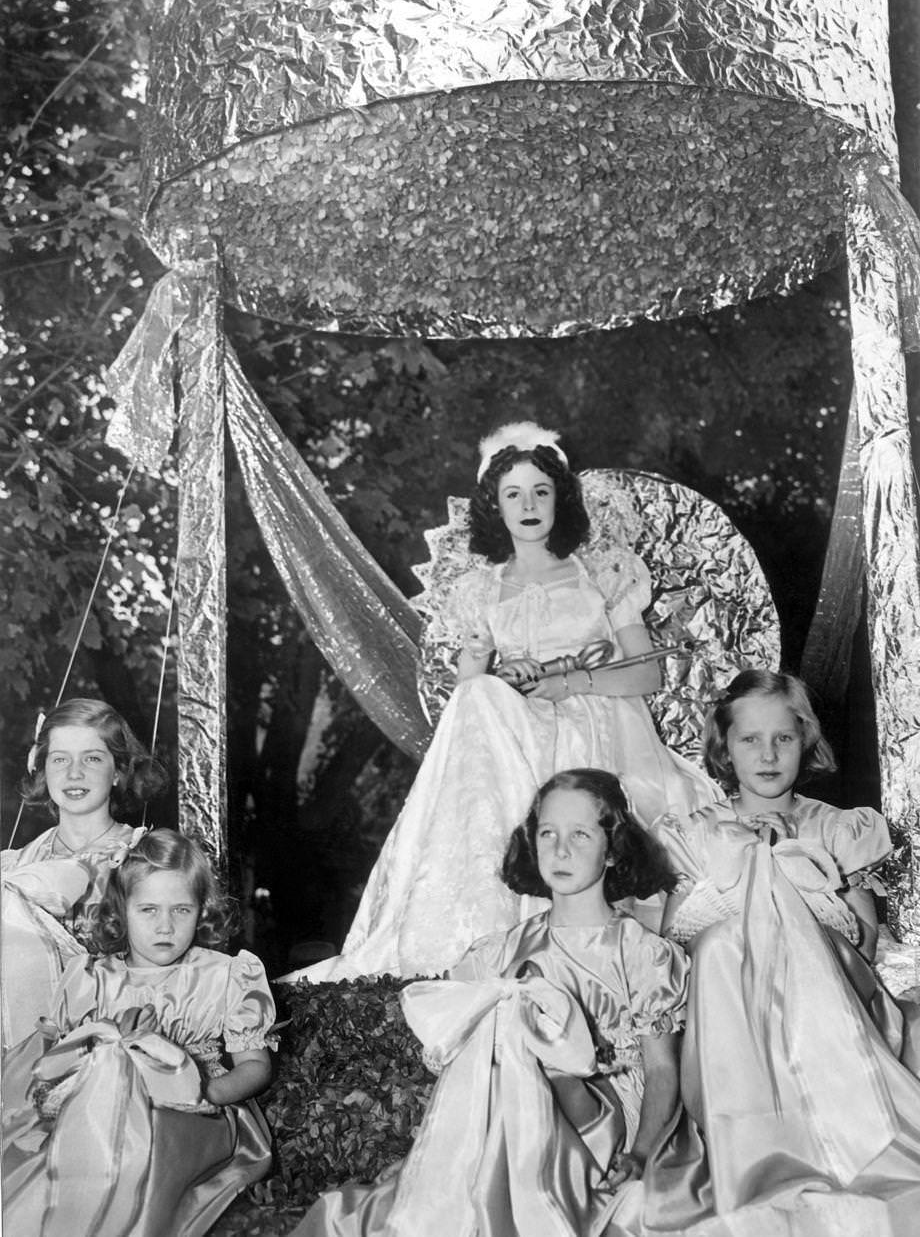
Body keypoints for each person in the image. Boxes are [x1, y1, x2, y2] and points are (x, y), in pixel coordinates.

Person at [289, 422, 718, 982]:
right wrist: (500, 674)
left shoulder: (602, 572)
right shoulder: (482, 588)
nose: (529, 504)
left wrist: (574, 684)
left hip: (601, 719)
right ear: (496, 507)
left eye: (541, 491)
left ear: (560, 500)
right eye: (513, 494)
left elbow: (646, 672)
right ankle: (476, 923)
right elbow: (469, 688)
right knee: (478, 703)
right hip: (522, 725)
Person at [292, 769, 689, 1237]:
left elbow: (662, 1071)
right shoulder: (501, 952)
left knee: (526, 1070)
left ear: (613, 849)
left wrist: (641, 1155)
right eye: (548, 833)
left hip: (603, 1122)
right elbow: (468, 1078)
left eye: (581, 834)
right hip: (516, 1123)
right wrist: (418, 1160)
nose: (561, 850)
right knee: (503, 1064)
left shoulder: (640, 952)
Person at [645, 669, 920, 1236]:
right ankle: (752, 1152)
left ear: (805, 741)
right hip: (730, 1004)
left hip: (830, 998)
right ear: (724, 748)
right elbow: (674, 942)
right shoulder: (696, 831)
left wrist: (785, 865)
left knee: (779, 934)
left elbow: (862, 940)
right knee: (722, 945)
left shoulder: (837, 827)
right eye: (750, 739)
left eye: (784, 738)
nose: (768, 754)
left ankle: (835, 1145)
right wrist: (746, 868)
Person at [2, 829, 275, 1237]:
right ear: (120, 911)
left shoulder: (225, 974)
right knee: (58, 1163)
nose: (165, 926)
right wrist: (107, 1042)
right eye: (148, 910)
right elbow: (58, 1061)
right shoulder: (91, 978)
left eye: (181, 910)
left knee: (144, 1152)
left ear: (202, 911)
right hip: (99, 1105)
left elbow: (255, 1067)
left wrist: (205, 1093)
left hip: (191, 1112)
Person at [1, 698, 169, 1047]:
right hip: (20, 1051)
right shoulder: (15, 867)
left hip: (120, 1048)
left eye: (92, 758)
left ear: (119, 772)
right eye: (60, 759)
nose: (74, 773)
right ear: (41, 769)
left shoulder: (145, 859)